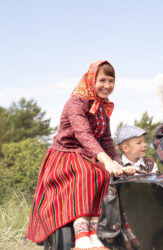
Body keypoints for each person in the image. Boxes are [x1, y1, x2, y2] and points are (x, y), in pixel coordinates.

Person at [25, 61, 136, 250]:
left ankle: (93, 233)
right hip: (65, 154)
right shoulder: (76, 102)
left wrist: (118, 164)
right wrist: (106, 160)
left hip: (88, 155)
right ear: (92, 80)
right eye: (102, 80)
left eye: (111, 81)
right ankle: (81, 234)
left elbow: (107, 139)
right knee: (87, 172)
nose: (107, 85)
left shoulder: (102, 106)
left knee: (101, 173)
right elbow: (83, 135)